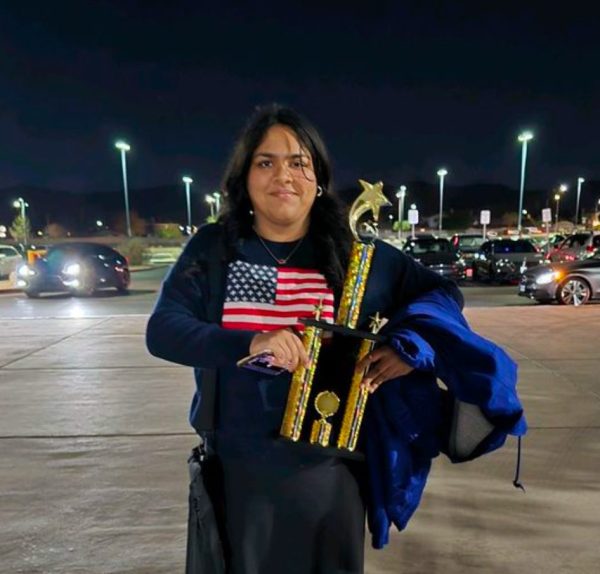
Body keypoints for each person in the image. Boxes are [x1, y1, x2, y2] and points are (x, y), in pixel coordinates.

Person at [146, 104, 525, 573]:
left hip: (332, 473)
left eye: (298, 162)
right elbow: (164, 330)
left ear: (319, 179)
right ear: (244, 178)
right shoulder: (214, 247)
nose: (283, 175)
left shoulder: (356, 255)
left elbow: (441, 295)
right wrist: (251, 341)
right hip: (239, 472)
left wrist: (411, 349)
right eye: (265, 162)